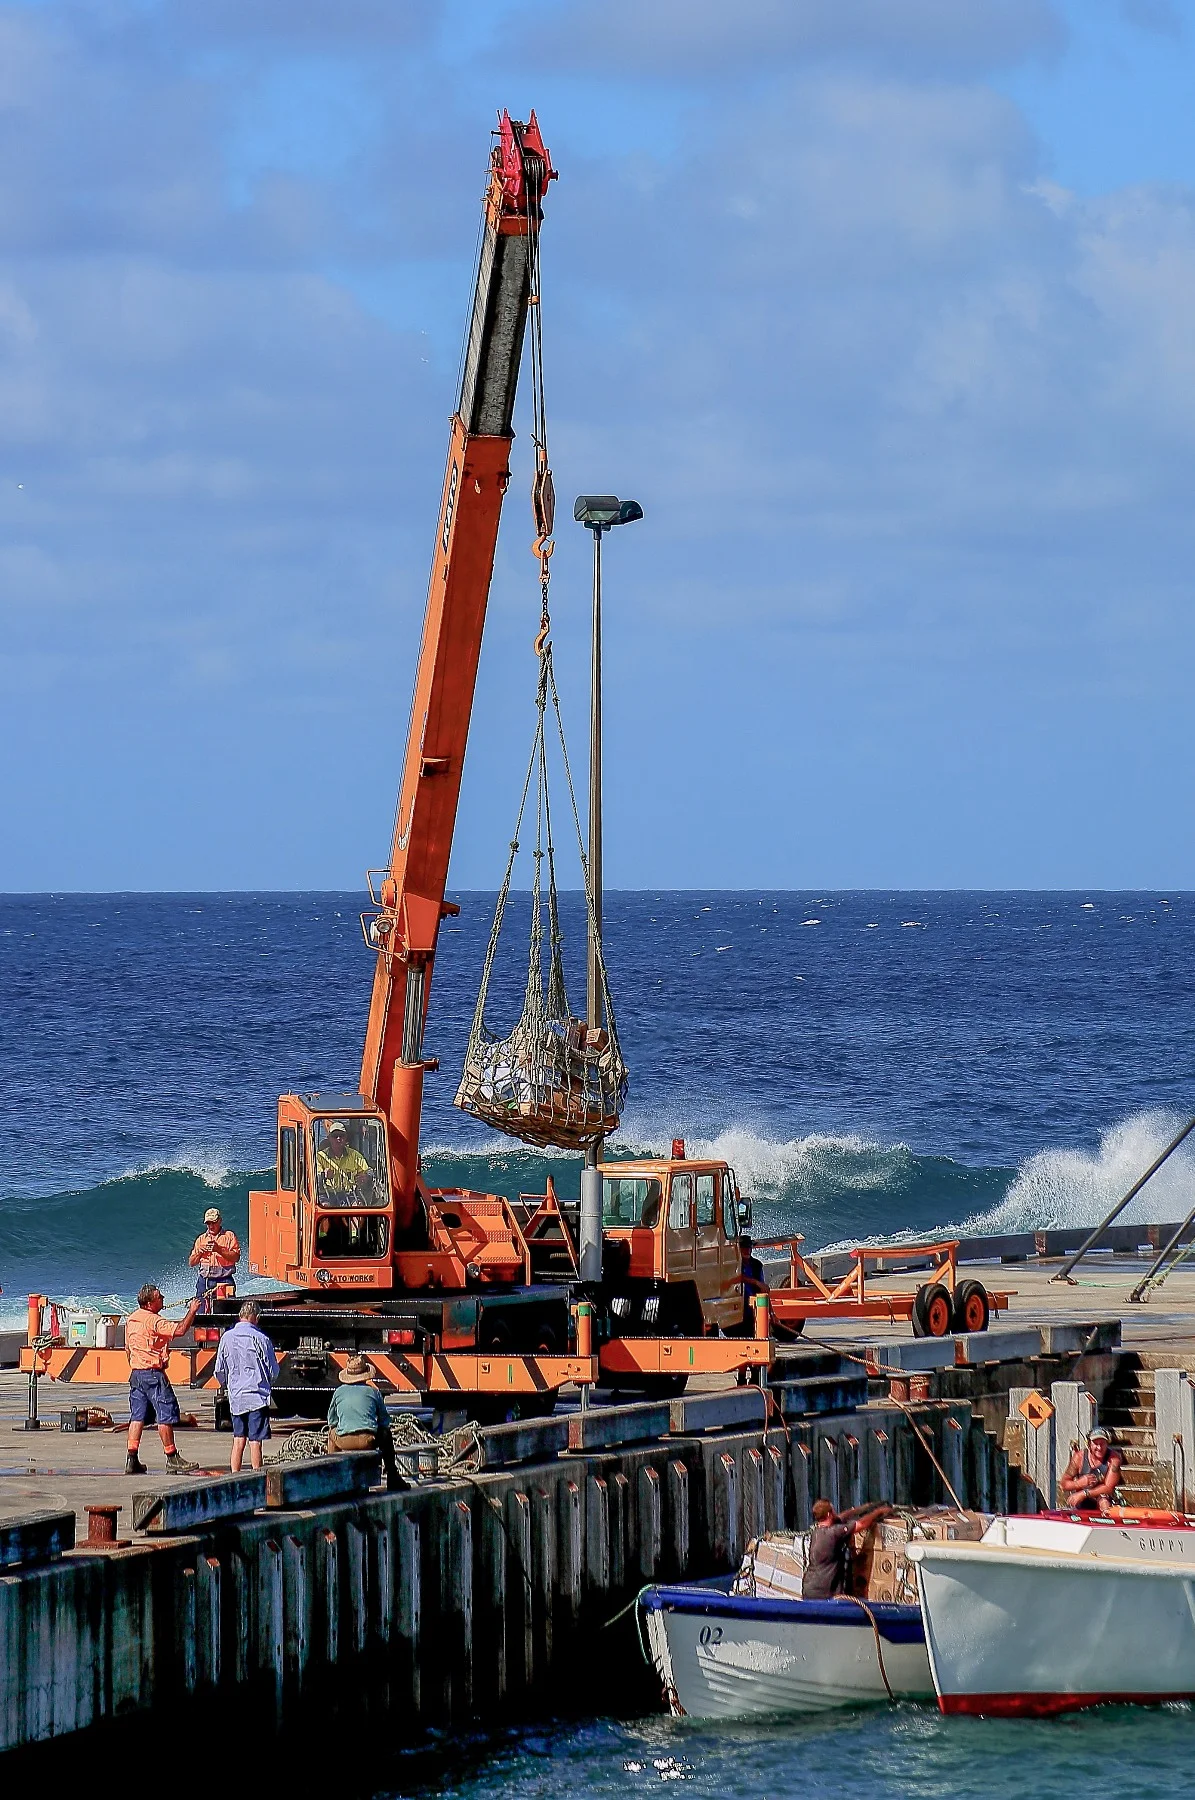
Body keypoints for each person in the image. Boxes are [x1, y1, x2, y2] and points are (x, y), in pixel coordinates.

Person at [124, 1284, 200, 1475]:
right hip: (152, 1374)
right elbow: (181, 1330)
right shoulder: (154, 1321)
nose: (163, 1298)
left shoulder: (132, 1319)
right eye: (159, 1297)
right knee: (165, 1414)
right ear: (150, 1303)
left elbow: (127, 1349)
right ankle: (172, 1457)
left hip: (137, 1374)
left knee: (137, 1417)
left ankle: (131, 1459)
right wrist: (192, 1311)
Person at [213, 1299, 280, 1472]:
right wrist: (267, 1383)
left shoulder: (226, 1338)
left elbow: (219, 1370)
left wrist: (227, 1385)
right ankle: (257, 1476)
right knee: (255, 1441)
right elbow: (274, 1370)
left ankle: (234, 1475)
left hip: (237, 1397)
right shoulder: (262, 1339)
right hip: (256, 1396)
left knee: (238, 1439)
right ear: (255, 1317)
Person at [325, 1355, 402, 1490]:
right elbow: (384, 1420)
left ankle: (333, 1474)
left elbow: (331, 1421)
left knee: (331, 1434)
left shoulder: (338, 1392)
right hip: (367, 1440)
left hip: (344, 1441)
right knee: (386, 1434)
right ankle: (392, 1476)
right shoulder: (373, 1392)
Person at [802, 1498, 894, 1599]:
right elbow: (861, 1524)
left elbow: (840, 1517)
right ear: (829, 1514)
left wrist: (858, 1510)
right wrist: (878, 1512)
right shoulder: (834, 1533)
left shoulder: (817, 1532)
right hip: (824, 1592)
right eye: (833, 1510)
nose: (835, 1512)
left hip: (809, 1588)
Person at [1060, 1426, 1124, 1512]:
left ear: (1107, 1443)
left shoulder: (1114, 1458)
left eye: (1102, 1443)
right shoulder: (1079, 1457)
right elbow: (1064, 1484)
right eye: (1095, 1444)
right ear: (1089, 1444)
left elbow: (1109, 1487)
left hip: (1102, 1497)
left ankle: (1105, 1522)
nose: (1099, 1448)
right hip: (1080, 1498)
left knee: (1104, 1502)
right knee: (1073, 1503)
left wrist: (1085, 1493)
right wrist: (1078, 1483)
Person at [189, 1207, 240, 1304]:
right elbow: (191, 1263)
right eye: (208, 1223)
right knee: (201, 1313)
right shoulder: (201, 1239)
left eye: (214, 1223)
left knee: (226, 1312)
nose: (211, 1226)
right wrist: (199, 1252)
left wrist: (219, 1250)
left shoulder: (229, 1236)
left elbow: (236, 1257)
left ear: (220, 1221)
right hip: (205, 1280)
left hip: (225, 1280)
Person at [316, 1121, 373, 1204]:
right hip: (326, 1194)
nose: (338, 1138)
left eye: (341, 1135)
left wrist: (366, 1176)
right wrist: (323, 1175)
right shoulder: (320, 1157)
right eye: (335, 1136)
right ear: (329, 1138)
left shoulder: (355, 1155)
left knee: (358, 1207)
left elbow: (369, 1171)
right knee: (324, 1208)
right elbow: (313, 1179)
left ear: (346, 1138)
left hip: (349, 1194)